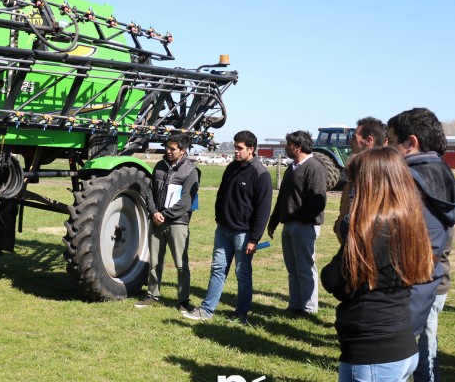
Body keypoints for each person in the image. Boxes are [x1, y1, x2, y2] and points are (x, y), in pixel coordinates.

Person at [321, 147, 435, 382]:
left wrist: (348, 233)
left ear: (371, 184)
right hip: (399, 345)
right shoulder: (409, 220)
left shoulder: (368, 229)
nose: (351, 190)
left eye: (355, 184)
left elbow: (335, 280)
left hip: (372, 354)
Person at [386, 107, 455, 382]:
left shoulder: (410, 181)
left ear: (411, 143)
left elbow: (396, 244)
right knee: (418, 367)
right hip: (428, 287)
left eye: (391, 143)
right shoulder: (441, 175)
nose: (388, 151)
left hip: (406, 293)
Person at [183, 130, 272, 324]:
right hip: (223, 230)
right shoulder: (231, 167)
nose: (236, 151)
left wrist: (254, 238)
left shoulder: (261, 174)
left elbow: (263, 210)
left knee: (242, 274)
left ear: (251, 149)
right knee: (217, 269)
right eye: (235, 147)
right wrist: (218, 217)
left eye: (240, 148)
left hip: (244, 234)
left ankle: (241, 315)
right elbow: (222, 194)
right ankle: (207, 311)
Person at [135, 132, 199, 311]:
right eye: (167, 147)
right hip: (157, 220)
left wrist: (166, 215)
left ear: (183, 150)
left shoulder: (191, 171)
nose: (168, 151)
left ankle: (183, 301)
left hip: (178, 222)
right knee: (154, 261)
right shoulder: (159, 166)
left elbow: (186, 201)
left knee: (181, 264)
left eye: (173, 149)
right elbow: (150, 193)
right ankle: (152, 295)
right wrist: (154, 212)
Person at [267, 130, 327, 315]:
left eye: (288, 145)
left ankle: (309, 309)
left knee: (305, 269)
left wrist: (302, 220)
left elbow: (318, 201)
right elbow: (283, 198)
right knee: (293, 269)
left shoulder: (314, 167)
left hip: (304, 226)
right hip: (289, 225)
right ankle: (295, 305)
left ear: (298, 147)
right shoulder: (291, 168)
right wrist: (274, 220)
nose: (285, 148)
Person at [333, 117, 387, 245]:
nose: (350, 141)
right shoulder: (356, 170)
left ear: (368, 141)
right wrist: (339, 225)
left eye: (354, 136)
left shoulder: (383, 174)